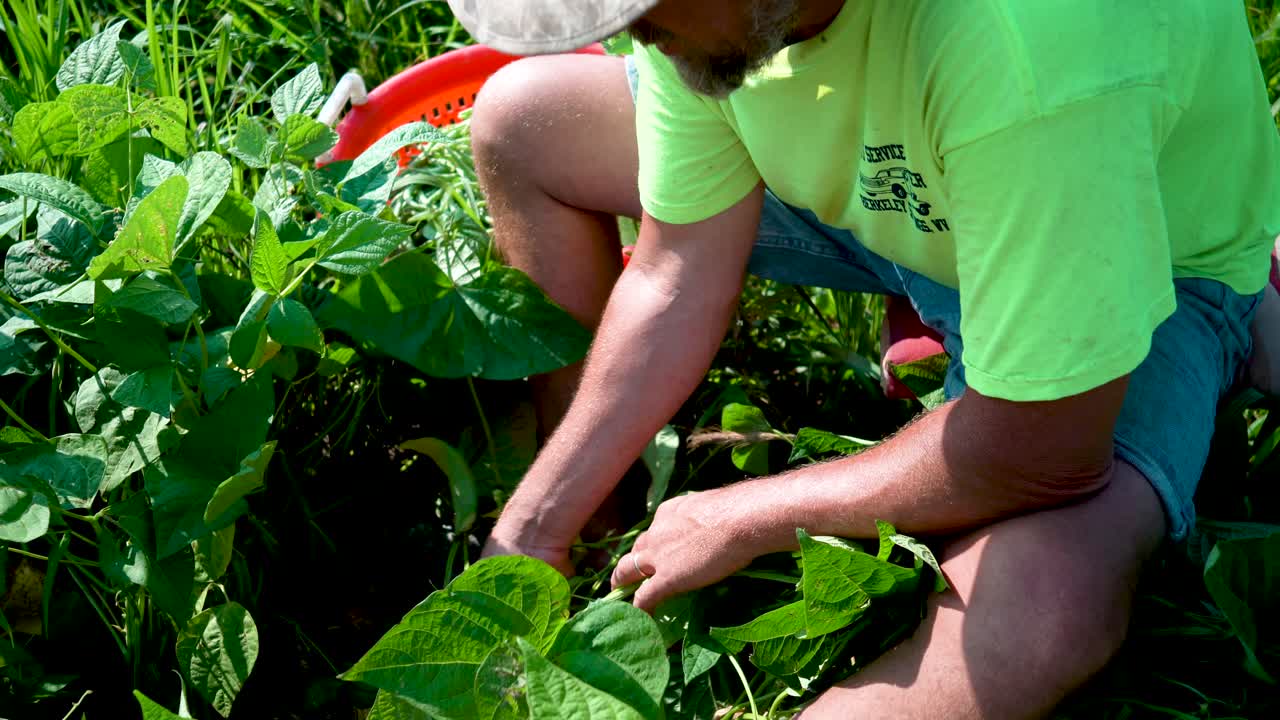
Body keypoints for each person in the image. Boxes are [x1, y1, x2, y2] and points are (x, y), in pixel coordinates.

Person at [446, 0, 1280, 717]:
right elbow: (678, 267)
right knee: (526, 120)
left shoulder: (1021, 41)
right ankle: (592, 539)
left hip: (1136, 252)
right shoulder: (711, 24)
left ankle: (1235, 320)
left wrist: (742, 516)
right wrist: (536, 524)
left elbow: (1044, 451)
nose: (630, 29)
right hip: (924, 181)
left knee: (1040, 608)